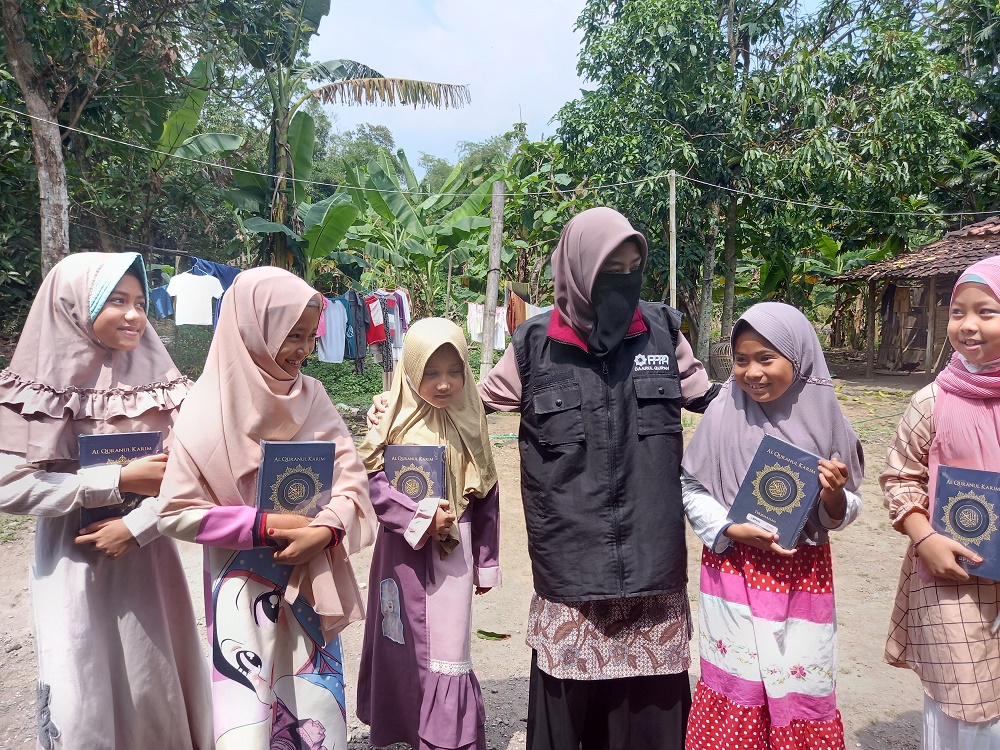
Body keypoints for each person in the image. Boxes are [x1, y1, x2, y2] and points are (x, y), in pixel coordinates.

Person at [369, 206, 720, 749]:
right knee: (568, 715)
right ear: (578, 271)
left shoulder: (662, 332)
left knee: (650, 717)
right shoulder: (533, 344)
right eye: (610, 270)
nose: (622, 283)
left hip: (653, 562)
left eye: (633, 268)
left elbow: (716, 404)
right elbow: (465, 404)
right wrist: (394, 412)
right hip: (571, 564)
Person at [156, 267, 376, 750]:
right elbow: (173, 512)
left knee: (313, 710)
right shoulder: (204, 410)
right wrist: (263, 524)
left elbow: (352, 479)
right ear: (254, 327)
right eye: (291, 335)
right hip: (241, 593)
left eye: (308, 336)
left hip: (308, 587)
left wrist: (328, 529)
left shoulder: (312, 396)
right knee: (248, 717)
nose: (302, 350)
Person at [0, 252, 212, 750]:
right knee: (82, 685)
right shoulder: (33, 390)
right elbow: (8, 485)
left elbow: (195, 477)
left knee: (152, 681)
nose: (135, 315)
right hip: (72, 561)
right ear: (75, 305)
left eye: (140, 302)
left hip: (149, 560)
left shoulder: (163, 385)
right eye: (118, 301)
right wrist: (114, 479)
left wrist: (139, 525)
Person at [680, 302, 864, 750]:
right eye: (742, 360)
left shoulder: (827, 420)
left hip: (801, 577)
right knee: (739, 680)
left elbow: (845, 508)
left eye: (767, 358)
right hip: (733, 573)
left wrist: (834, 495)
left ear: (798, 358)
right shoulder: (724, 412)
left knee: (797, 676)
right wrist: (729, 529)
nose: (753, 372)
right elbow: (690, 487)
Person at [356, 317, 501, 750]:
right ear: (411, 371)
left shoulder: (473, 418)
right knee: (400, 635)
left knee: (449, 644)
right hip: (400, 552)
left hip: (453, 553)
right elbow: (371, 480)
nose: (443, 384)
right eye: (430, 372)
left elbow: (488, 492)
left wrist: (487, 563)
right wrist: (416, 517)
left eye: (453, 371)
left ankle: (445, 737)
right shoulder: (391, 418)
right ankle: (404, 725)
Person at [882, 256, 1000, 749]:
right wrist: (923, 536)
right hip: (950, 576)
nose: (968, 325)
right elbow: (899, 476)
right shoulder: (932, 401)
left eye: (987, 312)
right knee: (962, 697)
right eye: (958, 312)